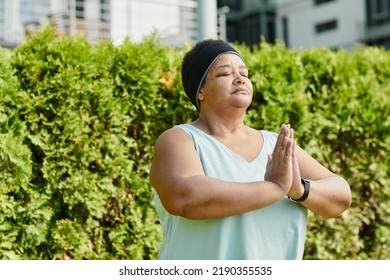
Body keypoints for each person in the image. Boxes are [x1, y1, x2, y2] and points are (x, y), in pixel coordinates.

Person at [149, 39, 351, 260]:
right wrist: (275, 188)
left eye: (244, 73)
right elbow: (186, 198)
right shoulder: (180, 140)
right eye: (225, 74)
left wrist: (299, 190)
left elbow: (340, 196)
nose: (240, 79)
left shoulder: (276, 145)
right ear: (200, 91)